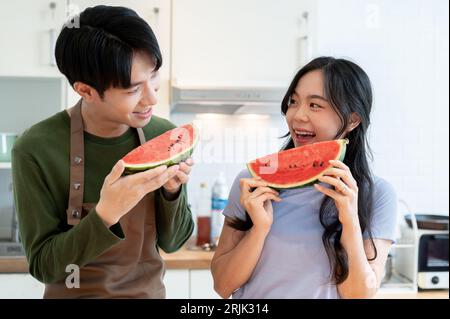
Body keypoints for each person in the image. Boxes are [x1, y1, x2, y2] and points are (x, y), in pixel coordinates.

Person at [11, 5, 194, 298]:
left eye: (154, 76)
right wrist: (106, 213)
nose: (152, 98)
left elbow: (174, 243)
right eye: (134, 89)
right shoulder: (35, 149)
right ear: (86, 91)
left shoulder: (164, 135)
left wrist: (171, 192)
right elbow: (44, 265)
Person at [211, 57, 398, 299]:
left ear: (352, 120)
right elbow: (222, 286)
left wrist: (350, 221)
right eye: (293, 102)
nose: (297, 115)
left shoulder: (377, 194)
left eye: (315, 105)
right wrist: (259, 229)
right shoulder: (252, 182)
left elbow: (359, 294)